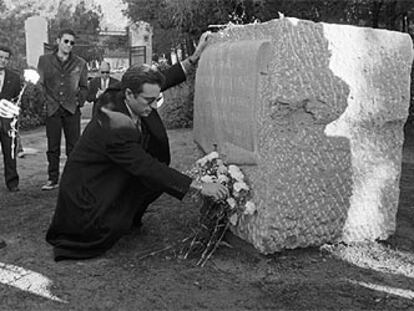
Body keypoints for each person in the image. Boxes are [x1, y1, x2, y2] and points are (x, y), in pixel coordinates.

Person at [45, 32, 226, 261]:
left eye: (157, 99)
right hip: (89, 190)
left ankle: (129, 216)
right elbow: (145, 165)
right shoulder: (114, 123)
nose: (154, 105)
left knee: (148, 186)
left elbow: (160, 80)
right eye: (149, 101)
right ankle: (110, 221)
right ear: (129, 94)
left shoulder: (129, 90)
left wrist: (193, 59)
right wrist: (199, 186)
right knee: (110, 224)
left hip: (109, 171)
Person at [37, 28, 88, 191]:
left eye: (72, 43)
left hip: (71, 109)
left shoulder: (80, 63)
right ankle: (52, 179)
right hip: (52, 108)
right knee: (53, 146)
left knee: (74, 146)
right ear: (58, 41)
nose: (69, 45)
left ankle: (73, 179)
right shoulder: (44, 60)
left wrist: (79, 101)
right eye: (66, 41)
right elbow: (40, 84)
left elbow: (84, 87)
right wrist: (45, 100)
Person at [0, 45, 22, 192]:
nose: (3, 61)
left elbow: (17, 101)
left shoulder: (14, 77)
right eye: (0, 57)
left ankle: (12, 182)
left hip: (7, 123)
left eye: (6, 58)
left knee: (10, 153)